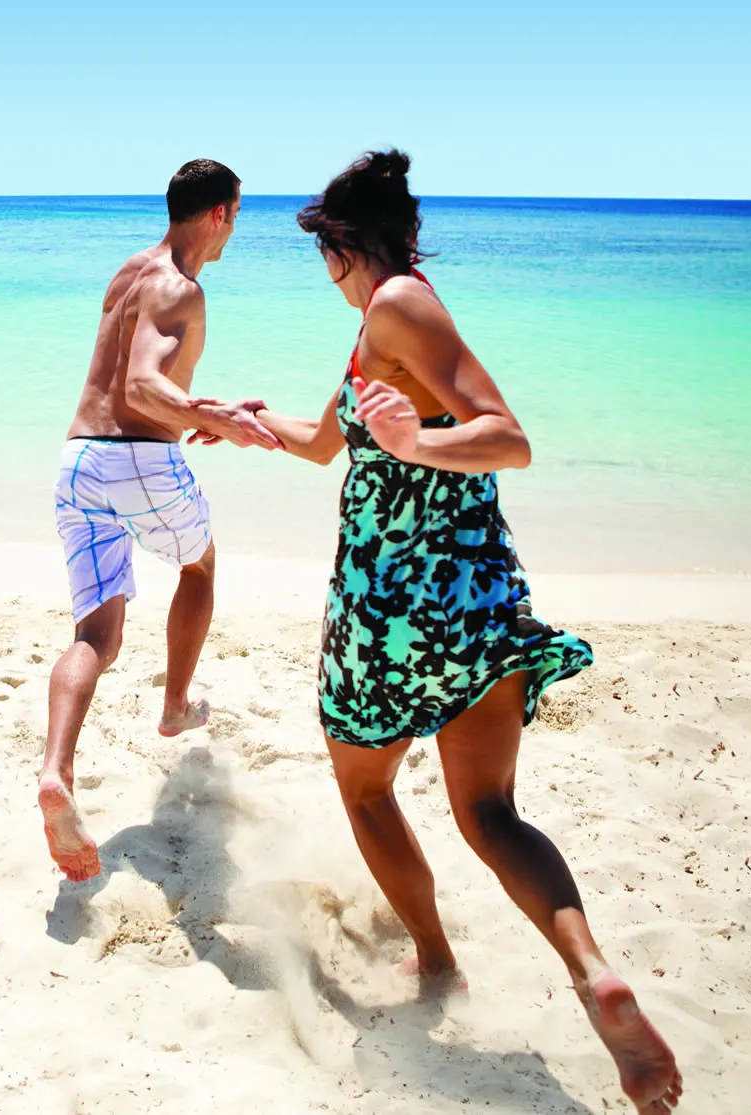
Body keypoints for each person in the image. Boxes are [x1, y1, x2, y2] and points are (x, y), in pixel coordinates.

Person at [206, 150, 681, 1112]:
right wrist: (249, 420)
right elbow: (331, 441)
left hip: (390, 612)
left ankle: (436, 959)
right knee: (491, 815)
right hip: (470, 605)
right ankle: (592, 971)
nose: (328, 278)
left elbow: (507, 436)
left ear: (346, 246)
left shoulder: (398, 309)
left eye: (325, 257)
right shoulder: (385, 330)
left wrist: (420, 442)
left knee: (367, 789)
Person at [38, 158, 280, 883]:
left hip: (78, 461)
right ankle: (175, 705)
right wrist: (213, 416)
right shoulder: (184, 286)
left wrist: (196, 410)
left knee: (95, 635)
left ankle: (56, 769)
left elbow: (125, 380)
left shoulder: (129, 273)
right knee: (199, 563)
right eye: (237, 216)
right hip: (136, 461)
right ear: (221, 215)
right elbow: (144, 388)